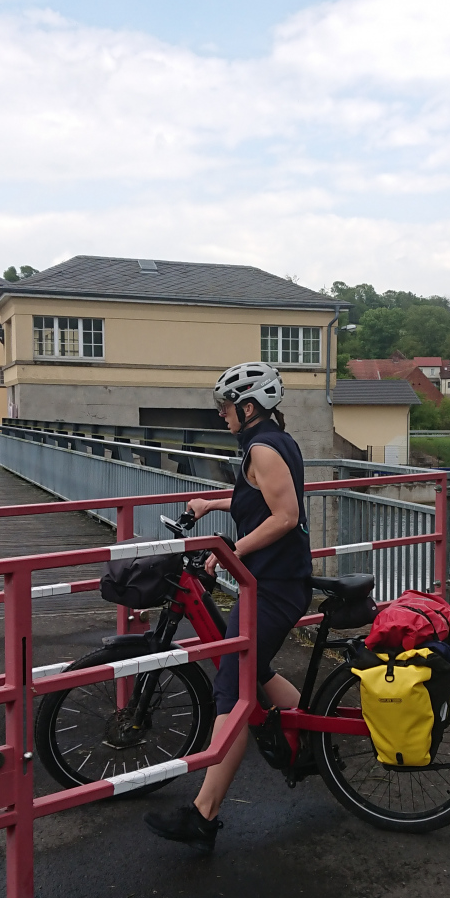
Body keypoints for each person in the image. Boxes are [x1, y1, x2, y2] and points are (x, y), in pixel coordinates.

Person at [144, 362, 310, 853]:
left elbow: (285, 515)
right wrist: (212, 505)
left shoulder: (262, 449)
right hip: (275, 582)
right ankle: (311, 738)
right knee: (253, 672)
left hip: (273, 586)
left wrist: (231, 553)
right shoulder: (273, 442)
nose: (222, 414)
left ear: (249, 407)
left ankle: (204, 813)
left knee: (232, 691)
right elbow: (255, 498)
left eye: (226, 406)